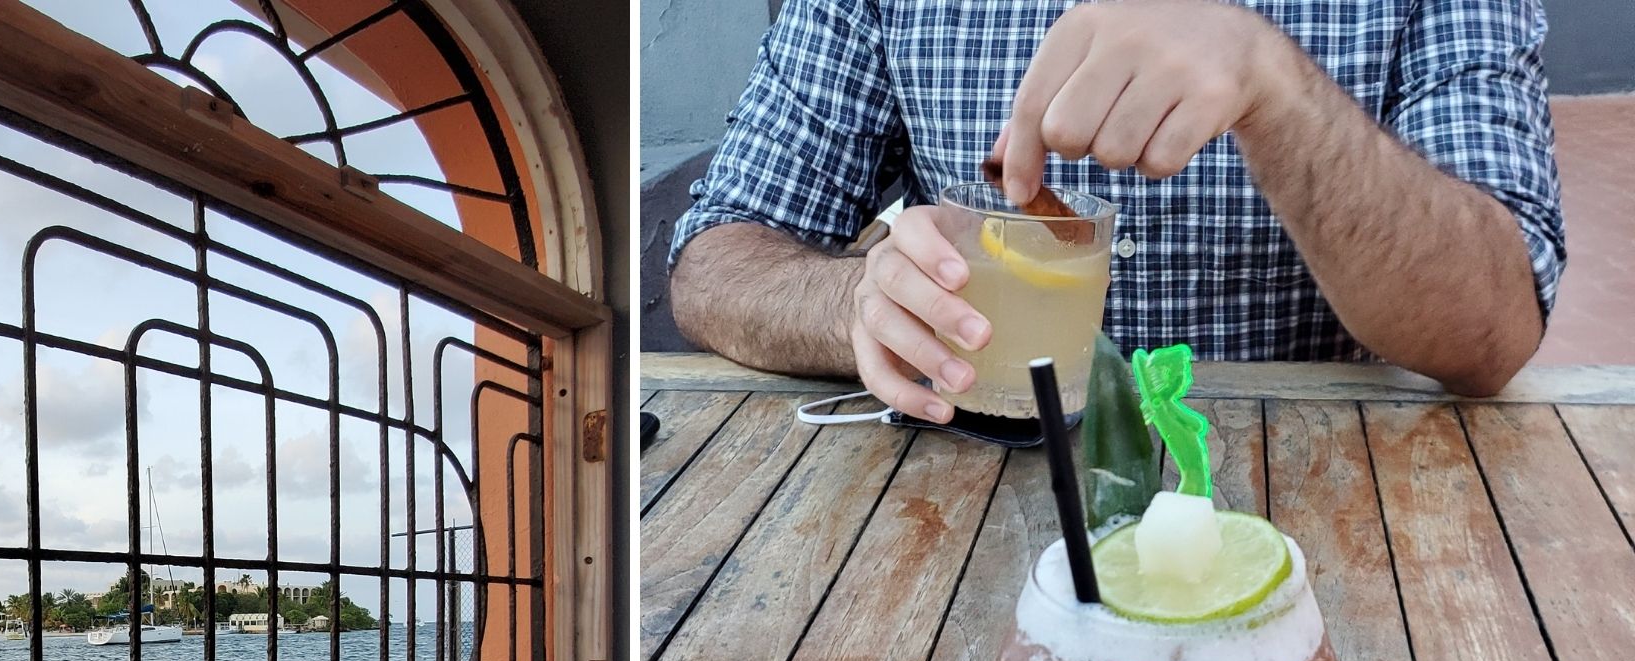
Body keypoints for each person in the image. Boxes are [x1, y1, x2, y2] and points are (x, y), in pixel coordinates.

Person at [668, 0, 1565, 417]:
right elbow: (714, 257)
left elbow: (1491, 329)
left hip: (1306, 509)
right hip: (964, 506)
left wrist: (1277, 88)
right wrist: (859, 302)